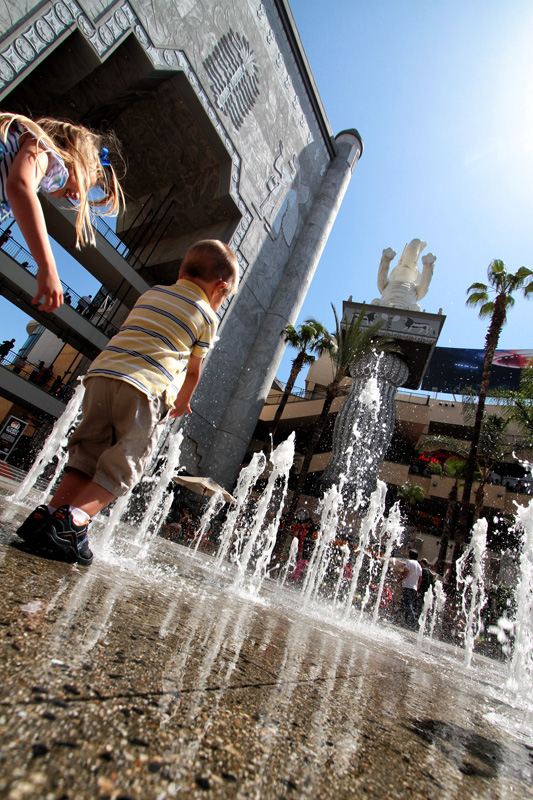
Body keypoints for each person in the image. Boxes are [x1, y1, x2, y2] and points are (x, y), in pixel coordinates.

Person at [16, 239, 239, 566]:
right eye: (224, 297)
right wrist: (182, 402)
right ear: (220, 288)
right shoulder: (207, 316)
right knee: (126, 463)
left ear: (181, 271)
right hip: (144, 389)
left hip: (102, 376)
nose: (220, 302)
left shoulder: (151, 294)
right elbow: (193, 372)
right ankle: (74, 521)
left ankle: (47, 516)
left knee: (88, 454)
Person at [0, 112, 124, 312]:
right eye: (83, 186)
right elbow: (20, 186)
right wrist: (47, 265)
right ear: (73, 157)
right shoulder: (45, 151)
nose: (77, 196)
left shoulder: (30, 148)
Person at [397, 549, 422, 629]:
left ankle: (415, 622)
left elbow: (405, 573)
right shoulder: (419, 566)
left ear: (410, 555)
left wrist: (400, 579)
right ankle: (396, 618)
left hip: (408, 586)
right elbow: (420, 580)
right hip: (413, 588)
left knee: (408, 604)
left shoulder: (409, 562)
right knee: (404, 604)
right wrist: (417, 589)